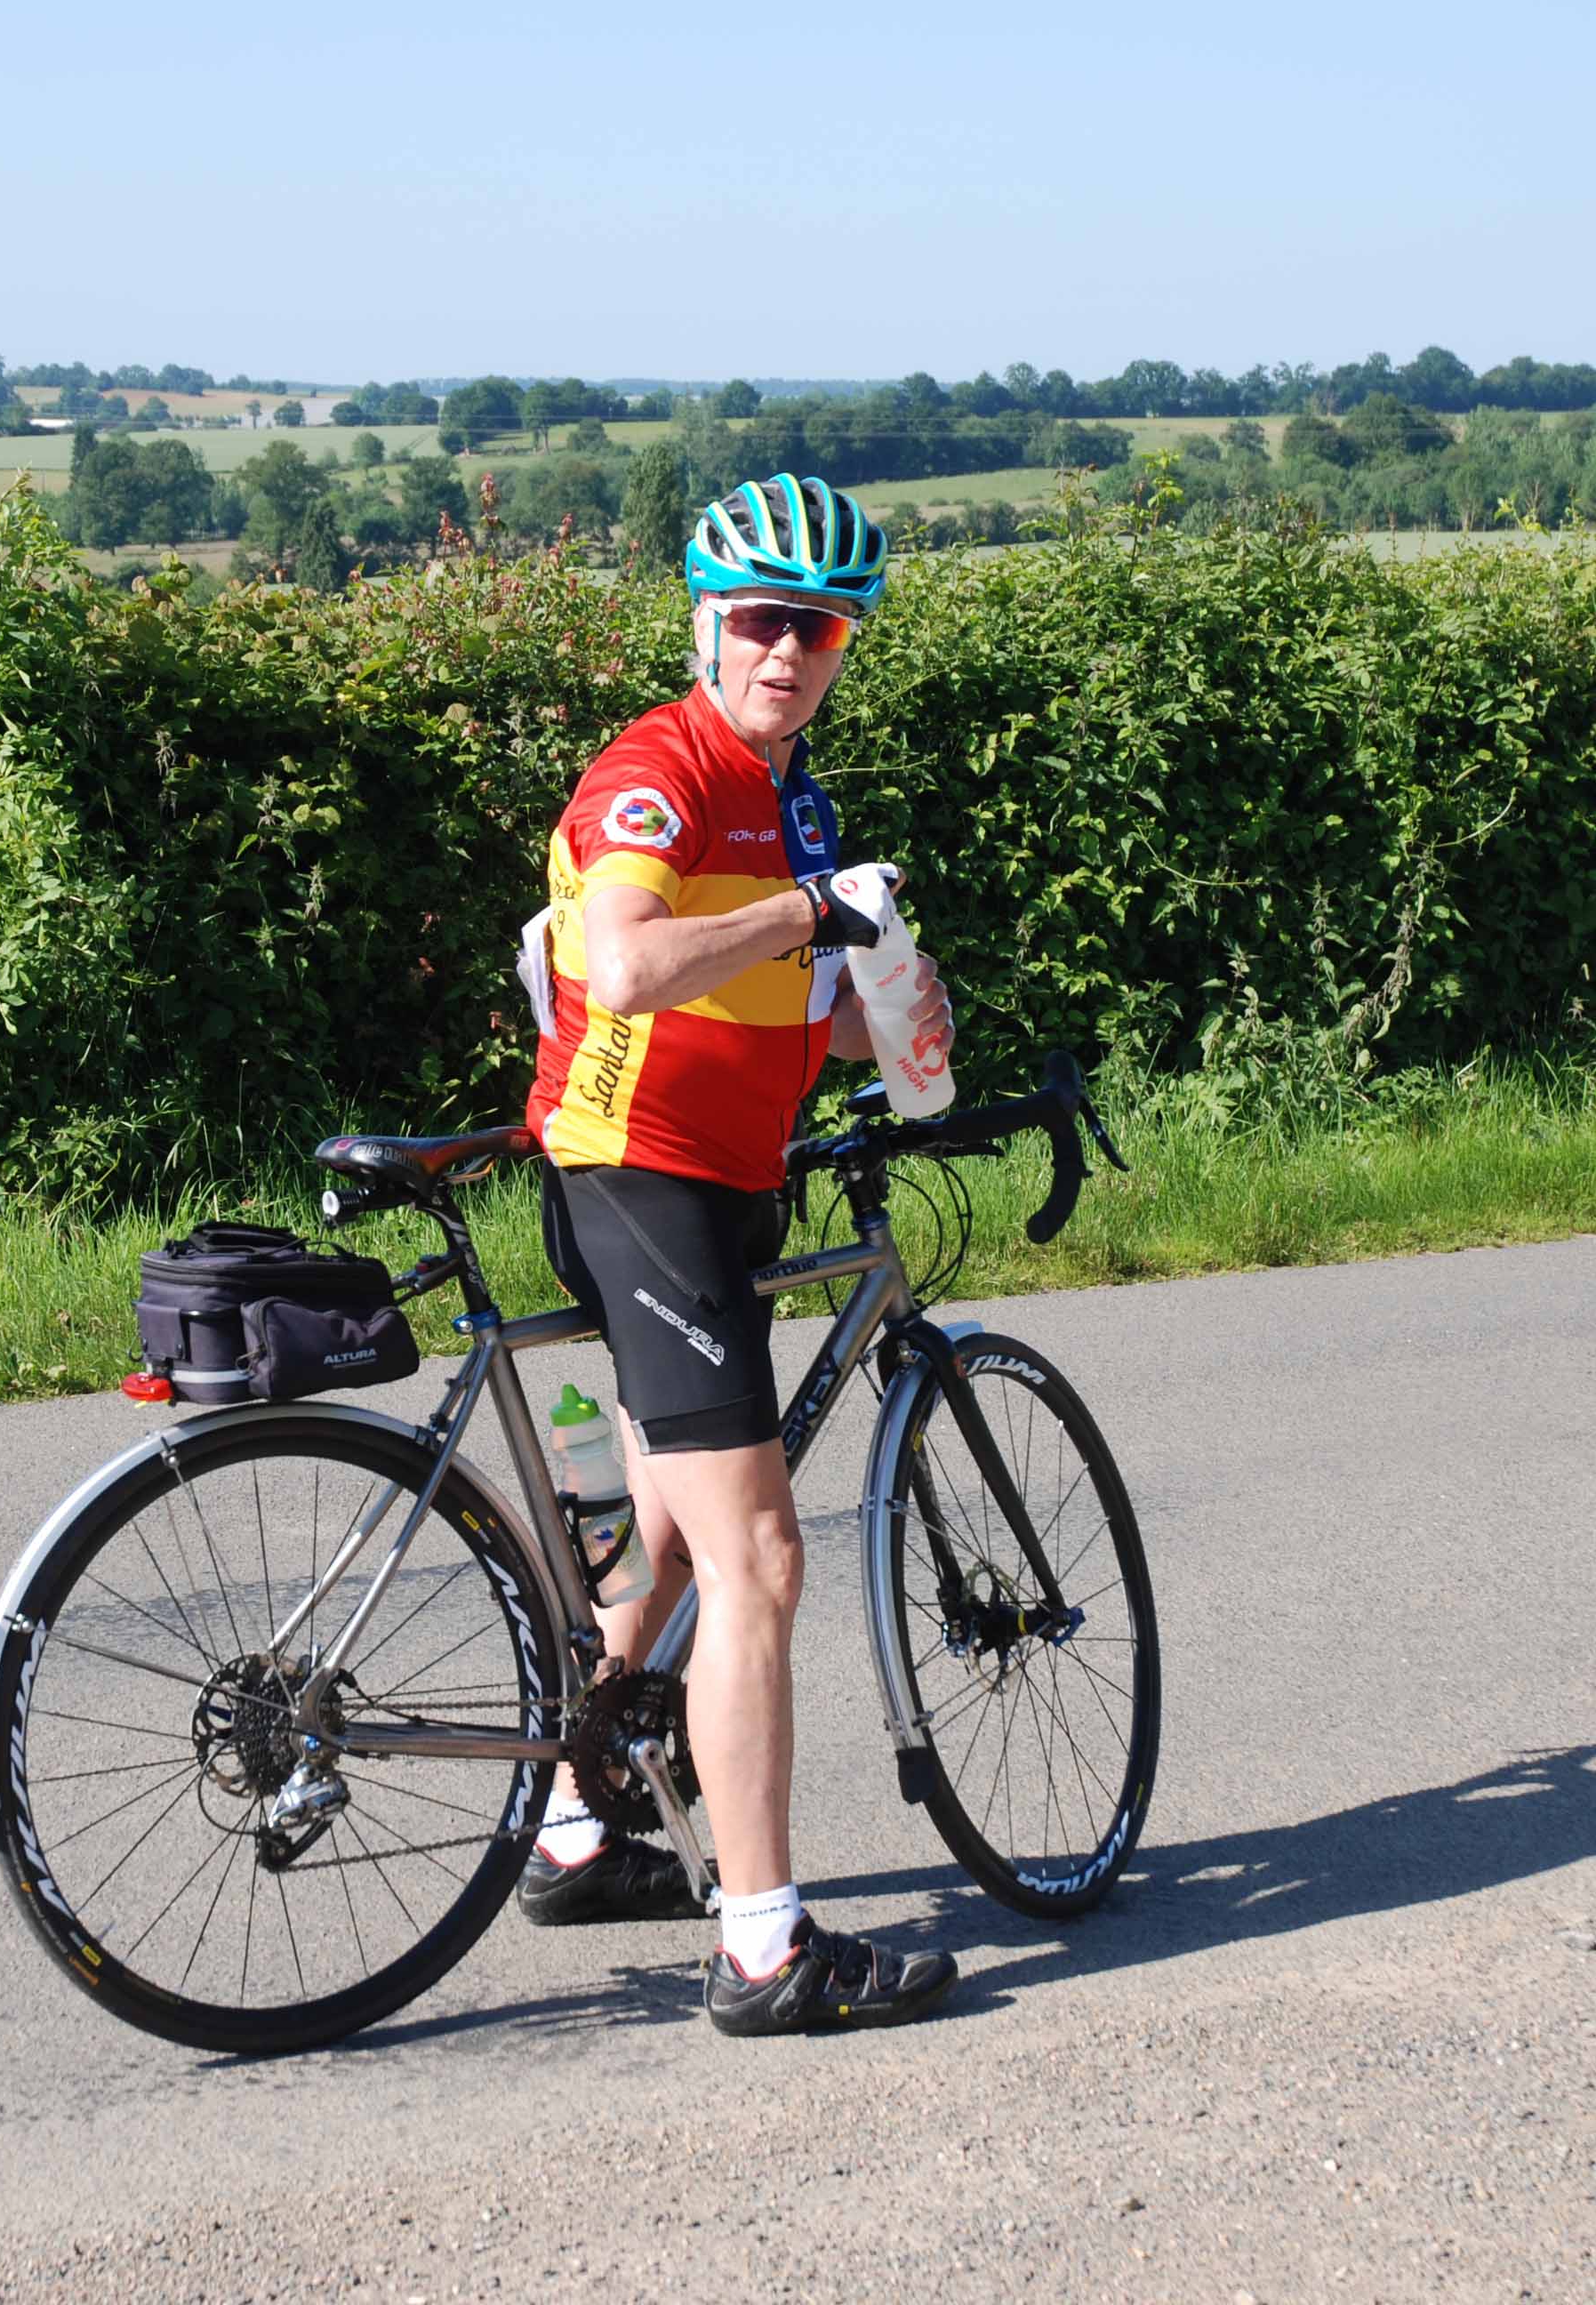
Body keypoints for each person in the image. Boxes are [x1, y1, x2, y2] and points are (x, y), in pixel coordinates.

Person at [516, 473, 960, 2035]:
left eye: (821, 629)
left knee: (677, 1543)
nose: (790, 651)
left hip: (712, 1182)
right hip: (646, 1185)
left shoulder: (793, 794)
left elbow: (789, 995)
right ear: (709, 619)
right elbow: (630, 960)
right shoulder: (665, 769)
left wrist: (890, 1020)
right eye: (764, 621)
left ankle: (575, 1833)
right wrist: (799, 915)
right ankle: (765, 1948)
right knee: (765, 1557)